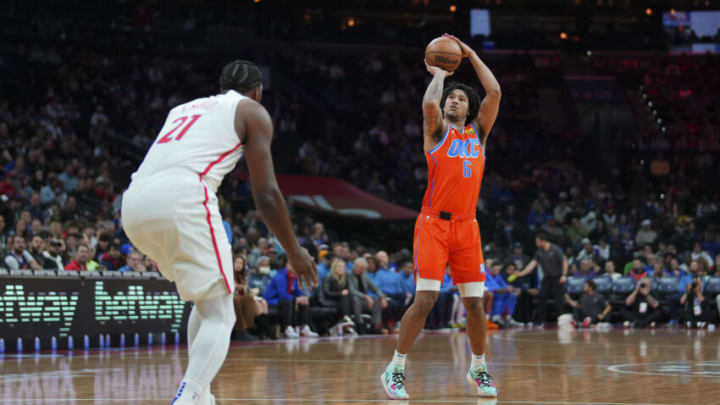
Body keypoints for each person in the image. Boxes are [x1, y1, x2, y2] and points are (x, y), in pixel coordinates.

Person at [121, 60, 317, 405]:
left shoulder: (182, 108)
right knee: (223, 314)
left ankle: (202, 395)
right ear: (257, 92)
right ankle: (188, 397)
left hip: (134, 202)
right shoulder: (252, 111)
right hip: (183, 195)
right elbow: (266, 193)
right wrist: (294, 250)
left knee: (207, 301)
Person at [381, 34, 501, 400]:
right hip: (433, 224)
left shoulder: (478, 134)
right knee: (427, 299)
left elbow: (494, 92)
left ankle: (478, 367)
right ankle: (395, 368)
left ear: (469, 109)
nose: (454, 99)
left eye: (461, 98)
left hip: (467, 226)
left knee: (476, 305)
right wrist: (439, 74)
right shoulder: (435, 133)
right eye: (452, 96)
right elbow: (429, 104)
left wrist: (471, 54)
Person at [515, 233, 568, 326]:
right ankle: (540, 321)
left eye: (537, 241)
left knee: (559, 299)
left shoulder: (555, 249)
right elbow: (533, 263)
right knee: (542, 297)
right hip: (547, 277)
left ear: (542, 241)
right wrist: (522, 273)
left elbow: (564, 262)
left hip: (558, 277)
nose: (536, 244)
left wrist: (564, 275)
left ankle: (562, 321)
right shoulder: (539, 252)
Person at [263, 263, 318, 338]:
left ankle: (303, 328)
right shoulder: (280, 276)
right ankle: (287, 328)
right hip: (272, 300)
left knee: (304, 301)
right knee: (287, 301)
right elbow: (282, 295)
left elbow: (298, 292)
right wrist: (296, 299)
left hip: (287, 301)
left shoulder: (295, 278)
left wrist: (302, 297)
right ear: (287, 266)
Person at [319, 258, 357, 336]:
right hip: (329, 300)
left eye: (343, 267)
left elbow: (349, 290)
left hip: (340, 301)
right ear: (334, 268)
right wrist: (340, 293)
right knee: (344, 297)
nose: (342, 269)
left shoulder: (346, 278)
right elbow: (326, 293)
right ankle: (346, 319)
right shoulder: (329, 277)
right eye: (339, 267)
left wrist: (344, 294)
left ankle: (346, 322)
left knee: (351, 299)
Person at [349, 257, 387, 334]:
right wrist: (366, 296)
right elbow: (352, 290)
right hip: (352, 301)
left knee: (377, 300)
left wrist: (382, 297)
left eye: (362, 268)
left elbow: (374, 288)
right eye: (358, 267)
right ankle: (360, 325)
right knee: (356, 299)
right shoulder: (348, 274)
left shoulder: (364, 275)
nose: (360, 269)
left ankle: (375, 325)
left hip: (364, 301)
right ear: (354, 266)